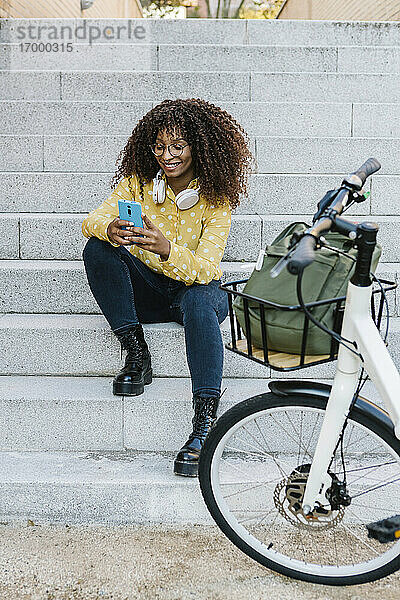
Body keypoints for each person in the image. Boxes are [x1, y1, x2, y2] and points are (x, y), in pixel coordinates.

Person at [81, 98, 253, 477]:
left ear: (198, 147)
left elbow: (208, 269)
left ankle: (205, 424)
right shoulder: (137, 184)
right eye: (159, 147)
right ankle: (137, 355)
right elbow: (94, 218)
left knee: (198, 298)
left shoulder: (216, 200)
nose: (167, 156)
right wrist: (109, 229)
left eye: (178, 146)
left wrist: (166, 249)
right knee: (98, 248)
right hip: (149, 292)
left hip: (196, 293)